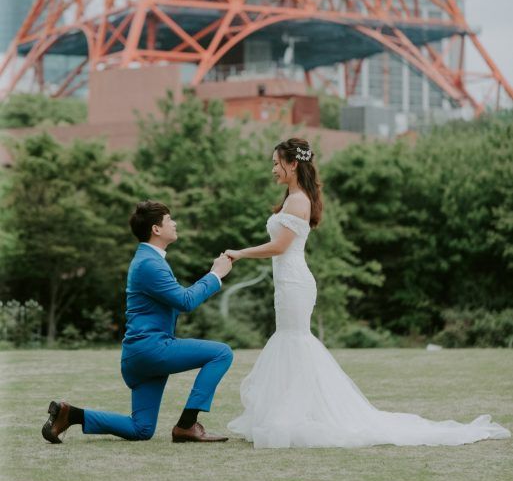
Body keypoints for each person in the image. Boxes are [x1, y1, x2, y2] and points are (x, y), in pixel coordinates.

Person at [224, 137, 511, 449]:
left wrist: (239, 253)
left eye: (276, 163)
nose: (272, 169)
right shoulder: (293, 197)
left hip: (294, 283)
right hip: (287, 283)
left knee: (294, 341)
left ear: (293, 165)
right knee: (290, 341)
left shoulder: (298, 201)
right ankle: (289, 414)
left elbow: (280, 247)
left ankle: (295, 417)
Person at [42, 200, 233, 444]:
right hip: (152, 349)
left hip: (139, 356)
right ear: (156, 229)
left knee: (141, 429)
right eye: (169, 220)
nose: (174, 223)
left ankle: (71, 414)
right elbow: (185, 301)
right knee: (221, 353)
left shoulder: (149, 260)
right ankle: (187, 425)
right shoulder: (149, 263)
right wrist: (215, 274)